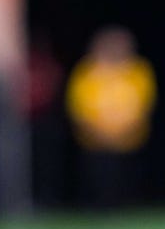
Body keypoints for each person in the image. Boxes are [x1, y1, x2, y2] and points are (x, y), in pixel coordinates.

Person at [65, 25, 157, 208]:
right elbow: (78, 108)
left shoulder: (138, 70)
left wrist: (123, 132)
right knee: (98, 182)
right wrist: (98, 133)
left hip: (130, 141)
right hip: (94, 142)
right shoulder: (86, 71)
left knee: (128, 183)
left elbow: (145, 105)